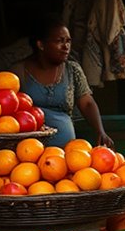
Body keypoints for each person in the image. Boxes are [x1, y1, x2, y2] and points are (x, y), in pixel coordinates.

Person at [10, 15, 112, 148]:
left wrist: (100, 131)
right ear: (41, 45)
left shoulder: (72, 70)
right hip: (29, 151)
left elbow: (87, 103)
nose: (66, 46)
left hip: (67, 153)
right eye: (60, 41)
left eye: (68, 41)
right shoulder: (18, 72)